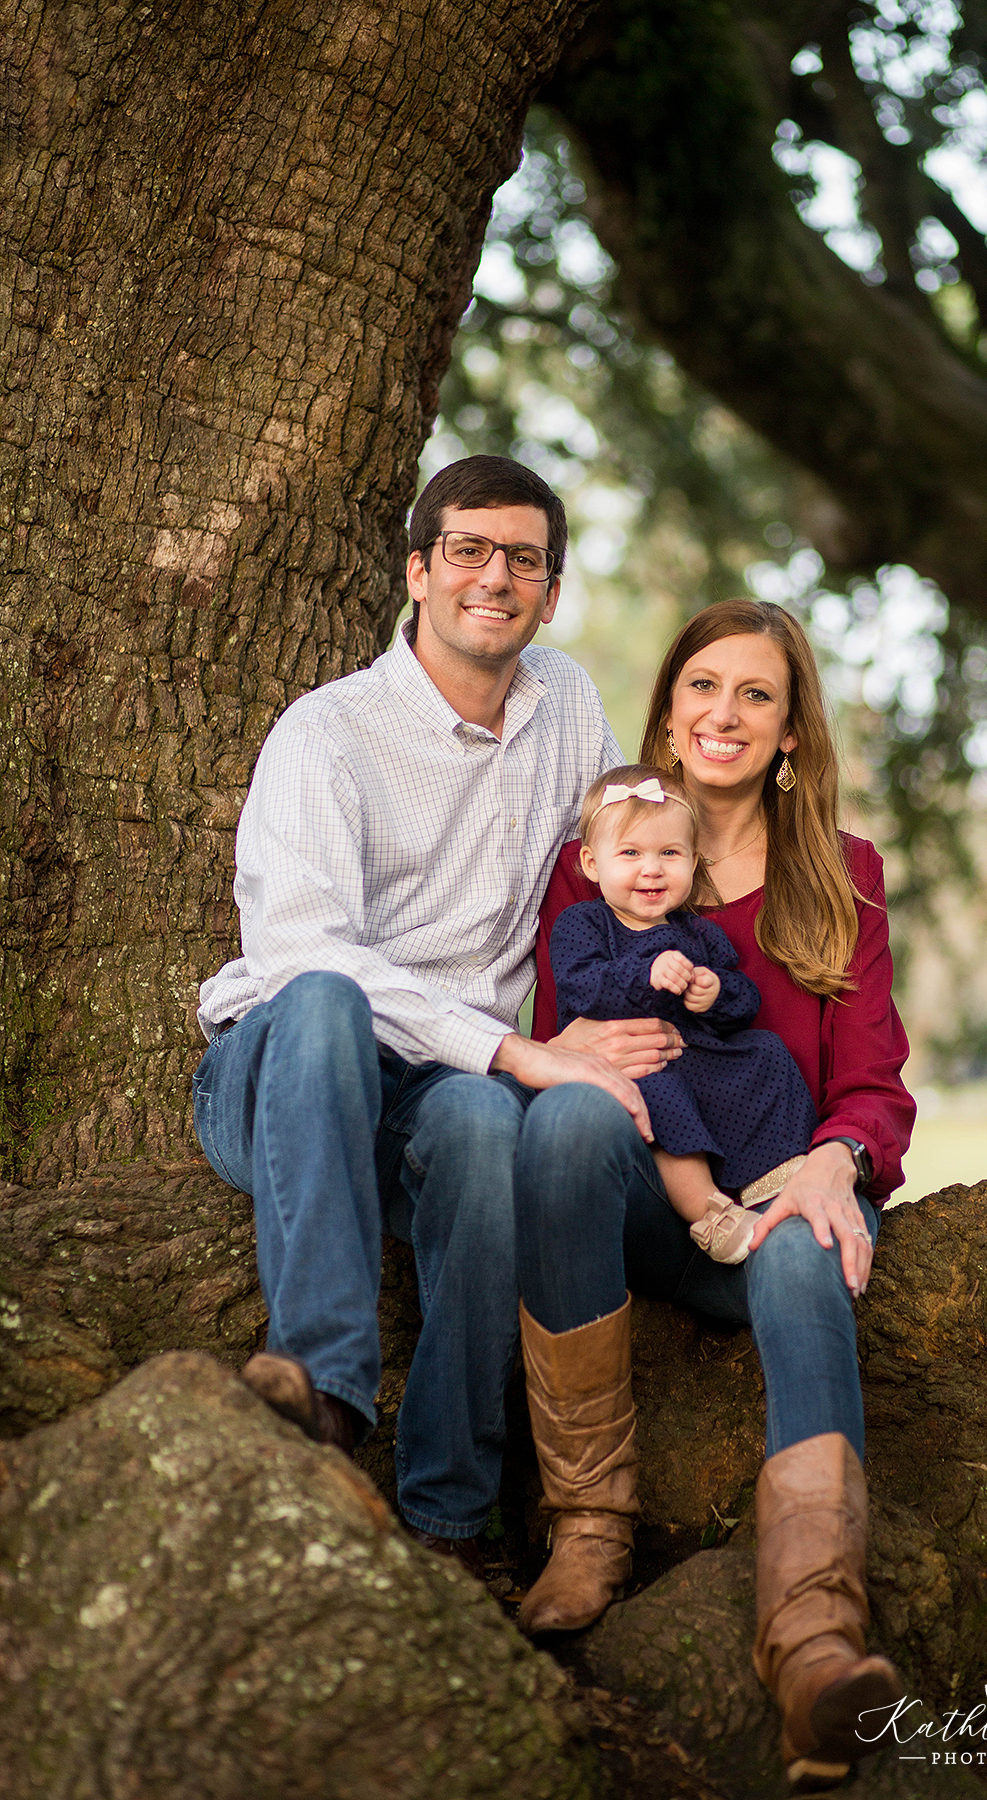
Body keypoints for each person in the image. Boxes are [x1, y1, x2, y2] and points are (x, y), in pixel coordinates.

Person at [191, 455, 668, 1576]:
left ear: (550, 592)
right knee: (320, 1001)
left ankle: (449, 1519)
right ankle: (322, 1391)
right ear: (418, 570)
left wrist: (607, 1016)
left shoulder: (570, 709)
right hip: (284, 1076)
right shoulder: (329, 732)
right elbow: (303, 949)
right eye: (467, 550)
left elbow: (618, 876)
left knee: (483, 1128)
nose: (493, 577)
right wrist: (517, 1049)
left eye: (524, 559)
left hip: (443, 1089)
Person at [518, 599, 916, 1794]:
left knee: (799, 1247)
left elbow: (876, 1085)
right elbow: (559, 1039)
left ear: (792, 733)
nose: (724, 714)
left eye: (756, 694)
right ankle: (588, 1528)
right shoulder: (589, 865)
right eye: (703, 687)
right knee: (571, 1116)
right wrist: (588, 1047)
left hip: (782, 1191)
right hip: (640, 1198)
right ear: (669, 709)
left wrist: (839, 1160)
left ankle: (813, 1642)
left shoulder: (840, 875)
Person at [549, 764, 818, 1264]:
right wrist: (645, 975)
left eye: (669, 853)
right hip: (630, 1065)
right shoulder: (584, 924)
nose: (651, 869)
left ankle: (777, 1174)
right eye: (630, 853)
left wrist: (713, 993)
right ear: (591, 862)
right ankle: (709, 1214)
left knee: (765, 1051)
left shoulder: (696, 933)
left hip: (697, 1055)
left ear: (693, 862)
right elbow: (582, 988)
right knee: (658, 1090)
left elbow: (744, 1002)